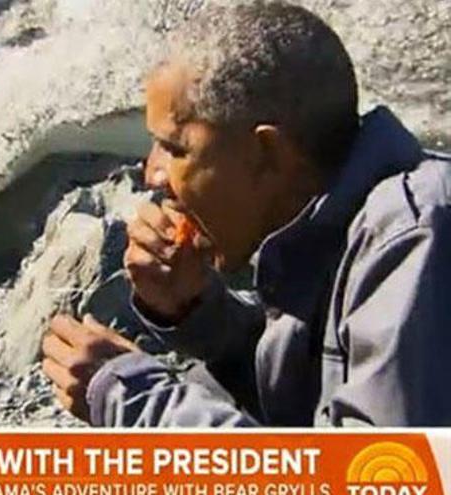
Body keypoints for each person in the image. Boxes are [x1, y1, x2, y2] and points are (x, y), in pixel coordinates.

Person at [41, 0, 451, 427]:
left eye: (176, 148)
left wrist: (133, 401)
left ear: (268, 154)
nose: (153, 174)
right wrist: (199, 316)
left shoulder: (416, 239)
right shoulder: (332, 230)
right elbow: (303, 406)